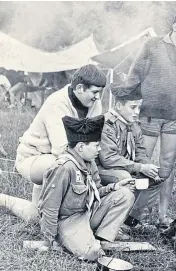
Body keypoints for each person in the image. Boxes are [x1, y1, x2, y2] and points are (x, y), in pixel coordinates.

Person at [0, 64, 105, 223]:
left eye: (100, 92)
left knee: (35, 217)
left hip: (63, 160)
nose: (98, 97)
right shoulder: (57, 102)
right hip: (34, 159)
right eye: (95, 92)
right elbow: (62, 149)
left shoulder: (94, 103)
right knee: (65, 166)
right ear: (80, 88)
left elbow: (94, 143)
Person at [126, 8, 176, 230]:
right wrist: (130, 106)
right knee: (143, 164)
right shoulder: (152, 45)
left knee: (166, 167)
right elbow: (135, 74)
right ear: (175, 27)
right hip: (149, 113)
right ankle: (133, 214)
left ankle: (162, 216)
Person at [38, 115, 135, 261]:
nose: (99, 149)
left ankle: (101, 238)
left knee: (125, 194)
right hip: (67, 221)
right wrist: (49, 240)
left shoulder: (89, 162)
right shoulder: (64, 168)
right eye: (96, 145)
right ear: (81, 147)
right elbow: (49, 208)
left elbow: (95, 192)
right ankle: (88, 243)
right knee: (92, 253)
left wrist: (115, 186)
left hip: (87, 213)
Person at [96, 82, 163, 230]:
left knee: (155, 178)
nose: (137, 112)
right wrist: (139, 167)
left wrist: (148, 167)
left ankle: (131, 220)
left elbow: (140, 152)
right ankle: (112, 222)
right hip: (100, 170)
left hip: (124, 167)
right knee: (124, 178)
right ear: (119, 106)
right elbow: (108, 159)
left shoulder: (133, 125)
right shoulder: (106, 124)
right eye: (133, 107)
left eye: (139, 107)